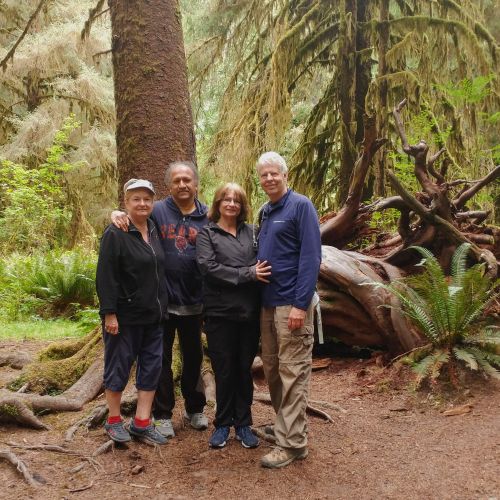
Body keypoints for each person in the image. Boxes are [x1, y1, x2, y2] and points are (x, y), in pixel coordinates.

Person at [111, 161, 208, 438]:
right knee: (160, 360)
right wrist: (116, 213)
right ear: (169, 185)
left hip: (195, 301)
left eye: (187, 179)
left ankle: (195, 408)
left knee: (193, 357)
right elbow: (135, 218)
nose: (182, 184)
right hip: (163, 303)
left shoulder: (207, 215)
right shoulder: (159, 210)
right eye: (176, 180)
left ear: (195, 183)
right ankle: (163, 414)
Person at [255, 152, 322, 468]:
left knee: (293, 372)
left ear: (285, 175)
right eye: (264, 175)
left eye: (274, 173)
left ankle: (293, 444)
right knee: (272, 369)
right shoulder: (266, 212)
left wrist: (300, 304)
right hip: (268, 304)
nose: (269, 178)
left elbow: (310, 258)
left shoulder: (301, 206)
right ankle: (286, 425)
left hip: (291, 305)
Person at [196, 183, 271, 449]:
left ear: (242, 206)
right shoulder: (207, 234)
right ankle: (222, 424)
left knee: (243, 369)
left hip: (248, 313)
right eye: (226, 199)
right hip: (219, 314)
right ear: (217, 203)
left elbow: (265, 261)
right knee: (224, 370)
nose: (231, 204)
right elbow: (208, 267)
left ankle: (243, 424)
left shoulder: (252, 232)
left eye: (236, 200)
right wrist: (247, 274)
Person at [96, 179, 168, 445]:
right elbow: (105, 277)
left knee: (151, 369)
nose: (142, 203)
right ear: (126, 202)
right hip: (124, 319)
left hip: (154, 317)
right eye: (136, 199)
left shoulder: (155, 228)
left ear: (153, 202)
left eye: (147, 199)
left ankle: (141, 422)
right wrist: (109, 314)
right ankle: (113, 420)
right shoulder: (116, 233)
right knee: (118, 368)